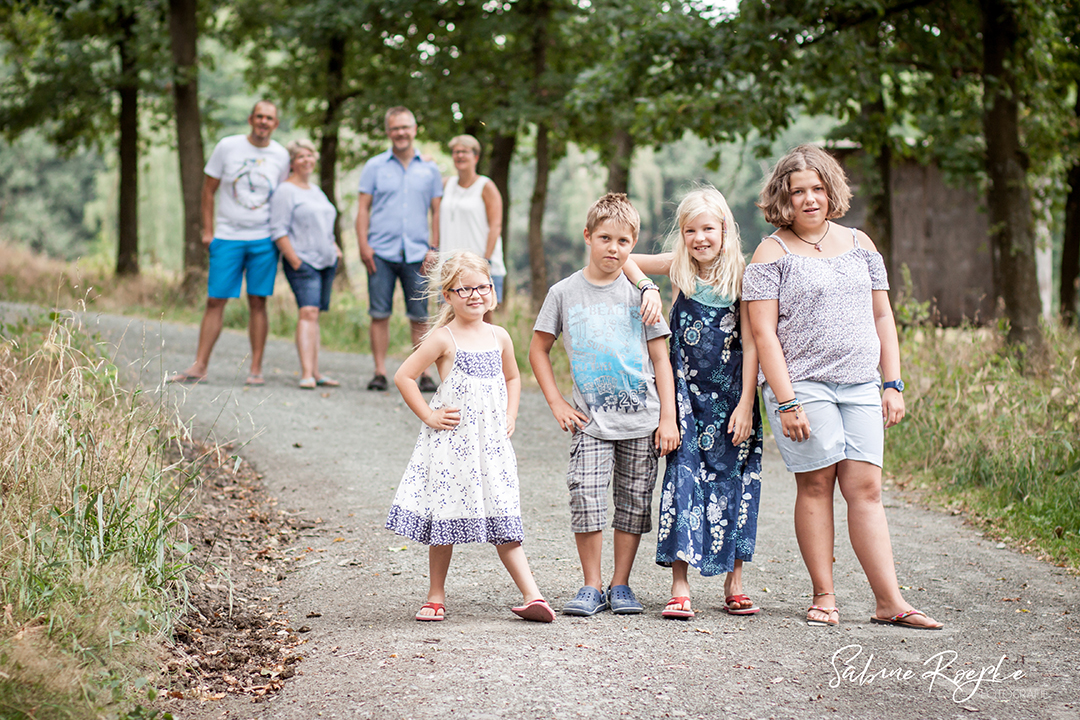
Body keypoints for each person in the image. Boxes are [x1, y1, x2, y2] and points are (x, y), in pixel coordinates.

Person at [743, 144, 942, 630]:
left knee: (866, 488)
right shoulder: (773, 251)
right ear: (783, 199)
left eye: (816, 189)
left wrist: (892, 384)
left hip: (860, 385)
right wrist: (785, 400)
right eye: (797, 192)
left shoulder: (861, 244)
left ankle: (889, 601)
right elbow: (763, 332)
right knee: (816, 484)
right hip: (803, 385)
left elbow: (882, 316)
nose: (809, 199)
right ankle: (824, 596)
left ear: (831, 191)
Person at [529, 193, 680, 617]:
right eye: (605, 238)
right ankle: (592, 585)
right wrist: (556, 400)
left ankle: (621, 584)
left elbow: (660, 359)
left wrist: (667, 417)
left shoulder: (641, 294)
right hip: (591, 422)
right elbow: (538, 349)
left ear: (633, 245)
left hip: (642, 419)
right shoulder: (563, 293)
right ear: (587, 237)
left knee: (634, 501)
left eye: (624, 241)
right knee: (587, 497)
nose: (614, 249)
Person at [385, 251, 554, 623]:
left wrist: (510, 415)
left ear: (493, 291)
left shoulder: (500, 337)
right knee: (444, 521)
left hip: (491, 447)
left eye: (483, 287)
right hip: (452, 448)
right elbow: (404, 376)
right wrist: (429, 415)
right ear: (448, 295)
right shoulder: (443, 339)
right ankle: (435, 595)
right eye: (465, 289)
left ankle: (533, 596)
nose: (475, 295)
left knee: (504, 518)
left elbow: (512, 377)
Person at [622, 186, 764, 620]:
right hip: (684, 394)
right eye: (690, 230)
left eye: (708, 228)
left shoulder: (744, 275)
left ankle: (734, 581)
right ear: (681, 235)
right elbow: (624, 258)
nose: (700, 238)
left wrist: (744, 405)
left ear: (725, 229)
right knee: (682, 477)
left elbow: (754, 344)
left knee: (735, 481)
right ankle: (679, 584)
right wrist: (647, 287)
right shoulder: (678, 267)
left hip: (730, 399)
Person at [168, 100, 290, 386]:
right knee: (215, 300)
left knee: (259, 301)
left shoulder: (281, 155)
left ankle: (256, 369)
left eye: (269, 118)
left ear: (276, 124)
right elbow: (208, 191)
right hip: (228, 236)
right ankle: (199, 366)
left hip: (264, 238)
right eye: (259, 116)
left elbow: (284, 196)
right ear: (250, 119)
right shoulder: (228, 146)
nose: (263, 121)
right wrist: (208, 232)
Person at [355, 106, 442, 393]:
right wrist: (363, 244)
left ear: (414, 129)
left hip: (418, 254)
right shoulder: (374, 166)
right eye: (395, 128)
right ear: (388, 131)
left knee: (420, 316)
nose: (401, 133)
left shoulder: (429, 170)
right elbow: (363, 208)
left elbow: (436, 212)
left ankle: (424, 372)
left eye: (405, 127)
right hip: (380, 252)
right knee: (379, 313)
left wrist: (434, 248)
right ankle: (379, 372)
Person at [269, 138, 342, 389]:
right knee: (307, 312)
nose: (307, 160)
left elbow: (325, 223)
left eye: (310, 155)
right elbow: (278, 229)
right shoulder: (285, 191)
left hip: (326, 262)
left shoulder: (316, 191)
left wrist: (334, 247)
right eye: (301, 156)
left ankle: (317, 372)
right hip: (304, 262)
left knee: (315, 315)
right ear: (291, 162)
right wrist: (295, 260)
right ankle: (306, 374)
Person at [438, 134, 506, 318]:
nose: (459, 155)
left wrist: (485, 261)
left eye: (464, 152)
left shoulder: (486, 186)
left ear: (475, 157)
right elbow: (435, 218)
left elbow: (495, 225)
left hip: (480, 263)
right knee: (447, 319)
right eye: (455, 152)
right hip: (450, 264)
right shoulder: (446, 185)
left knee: (483, 319)